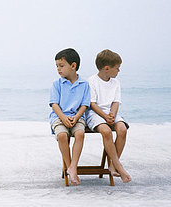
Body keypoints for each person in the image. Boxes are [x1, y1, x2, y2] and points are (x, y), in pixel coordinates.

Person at [85, 49, 132, 183]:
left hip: (111, 112)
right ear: (107, 68)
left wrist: (112, 115)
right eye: (117, 68)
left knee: (122, 129)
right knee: (106, 132)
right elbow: (92, 104)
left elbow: (116, 102)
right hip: (96, 113)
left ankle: (112, 165)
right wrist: (105, 116)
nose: (118, 71)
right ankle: (119, 166)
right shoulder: (92, 81)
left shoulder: (116, 83)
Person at [49, 48, 90, 186]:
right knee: (62, 136)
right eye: (57, 66)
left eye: (61, 66)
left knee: (80, 134)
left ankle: (73, 166)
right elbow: (54, 104)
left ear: (73, 66)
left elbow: (85, 104)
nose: (58, 69)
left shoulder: (84, 84)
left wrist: (77, 117)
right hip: (59, 116)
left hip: (77, 117)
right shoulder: (57, 84)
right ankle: (69, 167)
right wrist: (63, 118)